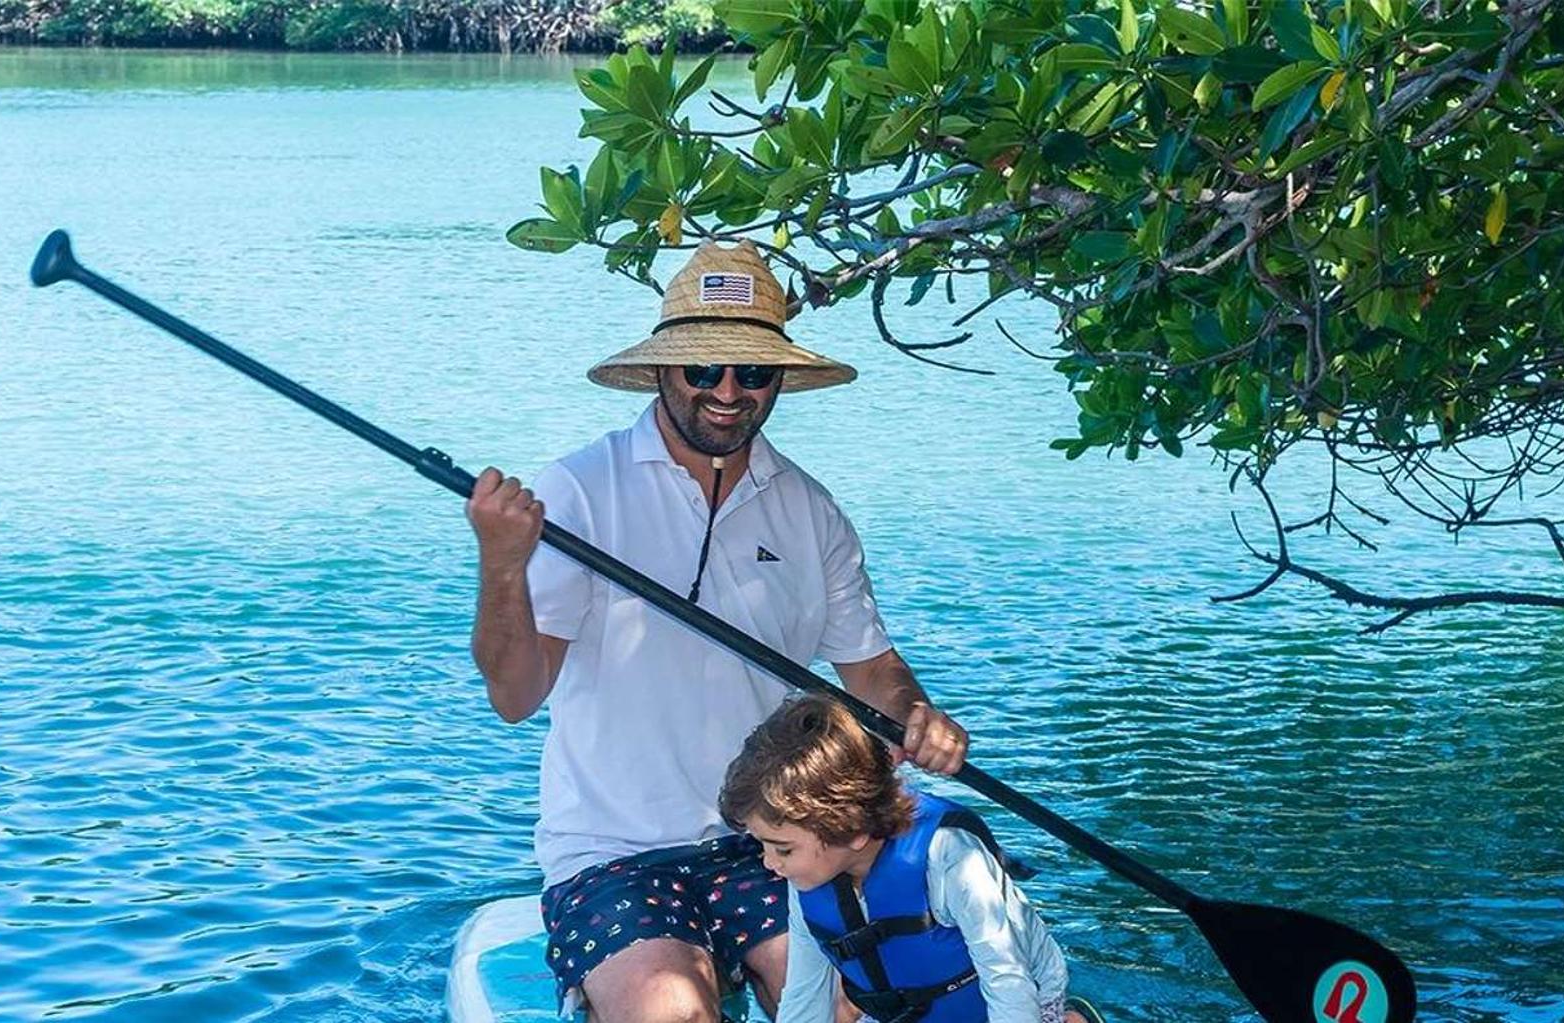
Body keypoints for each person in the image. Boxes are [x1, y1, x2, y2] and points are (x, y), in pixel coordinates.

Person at [464, 238, 971, 1023]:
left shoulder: (810, 509)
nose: (728, 391)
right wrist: (502, 562)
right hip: (612, 854)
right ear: (665, 371)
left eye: (752, 371)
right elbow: (514, 695)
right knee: (679, 1015)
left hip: (776, 839)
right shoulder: (579, 491)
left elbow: (872, 670)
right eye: (704, 369)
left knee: (848, 1012)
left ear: (779, 380)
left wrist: (917, 714)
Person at [719, 696, 1101, 1023]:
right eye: (763, 846)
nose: (769, 863)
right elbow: (804, 1002)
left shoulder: (950, 859)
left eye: (783, 849)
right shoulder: (807, 882)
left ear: (852, 831)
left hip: (1017, 1004)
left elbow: (1009, 982)